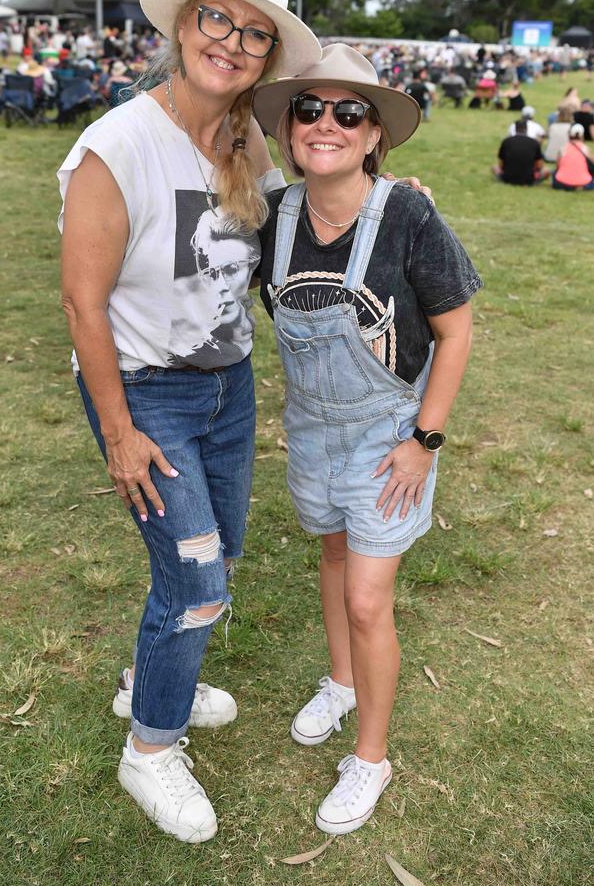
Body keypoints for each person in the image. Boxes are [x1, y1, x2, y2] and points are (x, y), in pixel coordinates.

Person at [59, 0, 323, 844]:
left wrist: (382, 207)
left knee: (210, 560)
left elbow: (288, 244)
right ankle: (150, 748)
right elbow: (81, 302)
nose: (234, 43)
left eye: (255, 34)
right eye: (219, 19)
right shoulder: (117, 143)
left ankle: (150, 676)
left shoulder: (249, 141)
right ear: (182, 26)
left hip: (227, 389)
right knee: (200, 581)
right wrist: (121, 433)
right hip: (146, 392)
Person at [252, 43, 481, 835]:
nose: (327, 123)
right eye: (309, 108)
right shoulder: (273, 215)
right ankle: (342, 682)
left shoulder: (410, 215)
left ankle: (370, 759)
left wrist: (426, 439)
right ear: (288, 128)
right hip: (312, 432)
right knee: (335, 555)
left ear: (375, 134)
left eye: (349, 111)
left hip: (390, 436)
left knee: (365, 595)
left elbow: (456, 334)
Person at [492, 120, 550, 185]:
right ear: (526, 129)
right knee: (546, 171)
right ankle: (535, 182)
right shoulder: (534, 143)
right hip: (528, 179)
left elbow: (501, 164)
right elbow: (539, 165)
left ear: (515, 129)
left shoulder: (506, 141)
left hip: (507, 177)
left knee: (495, 167)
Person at [552, 123, 594, 191]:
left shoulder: (563, 148)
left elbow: (558, 166)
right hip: (584, 182)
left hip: (562, 182)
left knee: (554, 172)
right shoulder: (585, 149)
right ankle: (578, 186)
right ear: (582, 136)